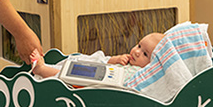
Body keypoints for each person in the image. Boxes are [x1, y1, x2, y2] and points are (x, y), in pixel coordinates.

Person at [30, 32, 165, 81]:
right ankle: (46, 68)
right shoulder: (128, 61)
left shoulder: (140, 73)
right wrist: (116, 59)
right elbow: (106, 61)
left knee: (69, 75)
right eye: (139, 46)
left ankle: (42, 69)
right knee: (75, 67)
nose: (137, 52)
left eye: (145, 54)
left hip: (96, 82)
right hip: (98, 71)